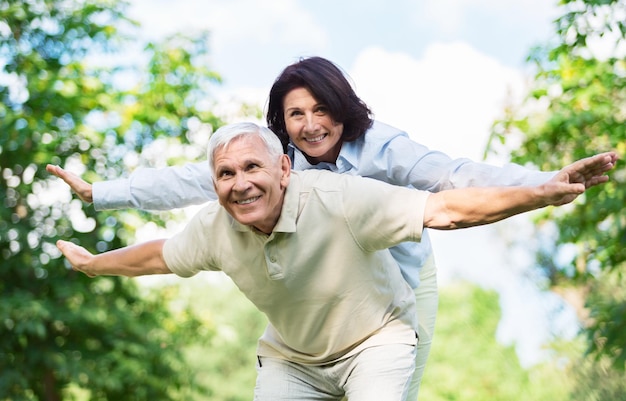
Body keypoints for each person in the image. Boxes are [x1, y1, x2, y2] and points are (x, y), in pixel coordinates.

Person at [45, 56, 618, 399]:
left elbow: (453, 182)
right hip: (317, 290)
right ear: (281, 128)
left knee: (388, 382)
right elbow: (186, 183)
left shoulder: (381, 151)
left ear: (343, 107)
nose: (312, 123)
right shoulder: (261, 166)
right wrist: (103, 195)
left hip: (399, 280)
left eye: (323, 109)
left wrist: (543, 184)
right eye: (297, 113)